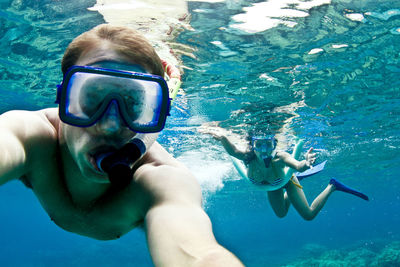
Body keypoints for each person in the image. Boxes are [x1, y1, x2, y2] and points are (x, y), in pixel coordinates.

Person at [0, 24, 244, 267]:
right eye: (91, 98)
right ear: (64, 98)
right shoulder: (31, 137)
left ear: (152, 112)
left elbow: (199, 256)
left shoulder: (157, 179)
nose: (110, 125)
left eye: (133, 104)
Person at [200, 126, 368, 221]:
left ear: (274, 145)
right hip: (273, 187)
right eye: (259, 145)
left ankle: (332, 186)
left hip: (286, 181)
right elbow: (233, 150)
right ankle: (297, 184)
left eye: (268, 145)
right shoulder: (248, 156)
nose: (264, 150)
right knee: (281, 214)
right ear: (253, 145)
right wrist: (223, 137)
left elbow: (298, 165)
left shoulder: (279, 157)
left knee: (308, 215)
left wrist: (306, 162)